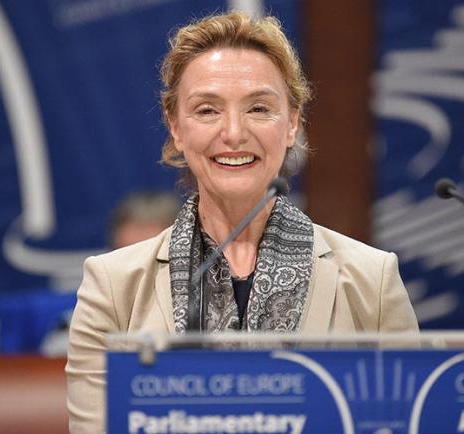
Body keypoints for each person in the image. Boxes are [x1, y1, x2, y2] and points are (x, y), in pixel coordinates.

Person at [66, 11, 418, 433]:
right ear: (176, 126)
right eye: (208, 110)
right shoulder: (111, 286)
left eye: (258, 108)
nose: (234, 133)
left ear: (292, 123)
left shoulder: (372, 280)